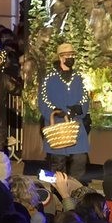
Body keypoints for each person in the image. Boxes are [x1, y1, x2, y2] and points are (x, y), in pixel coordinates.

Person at [38, 42, 91, 180]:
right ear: (60, 57)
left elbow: (85, 99)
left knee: (80, 159)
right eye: (68, 55)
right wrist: (54, 111)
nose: (71, 58)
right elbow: (42, 100)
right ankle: (58, 189)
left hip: (75, 127)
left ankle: (76, 188)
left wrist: (76, 110)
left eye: (72, 55)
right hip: (56, 128)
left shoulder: (78, 77)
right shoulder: (49, 78)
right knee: (57, 163)